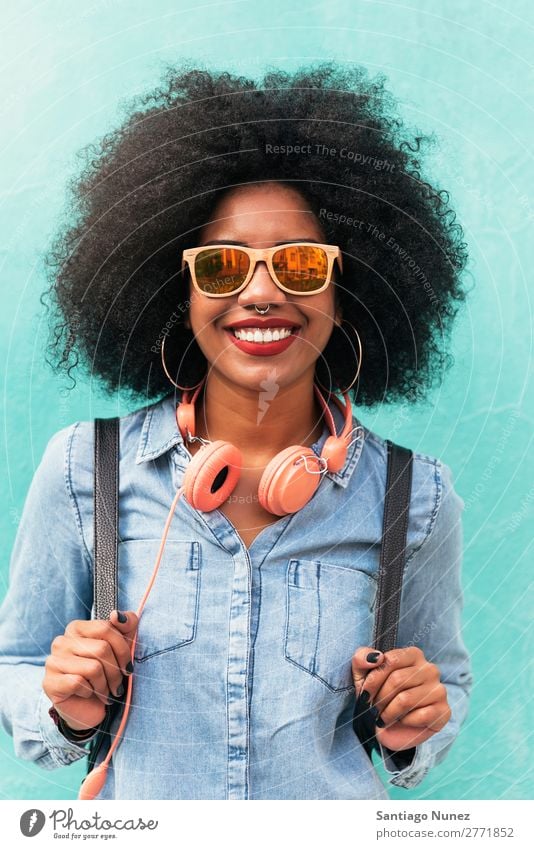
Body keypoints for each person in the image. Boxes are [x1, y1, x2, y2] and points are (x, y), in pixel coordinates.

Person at [0, 61, 472, 800]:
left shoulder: (416, 494)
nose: (260, 293)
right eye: (222, 267)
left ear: (345, 294)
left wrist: (419, 724)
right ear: (178, 290)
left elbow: (445, 681)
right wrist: (62, 705)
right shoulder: (83, 468)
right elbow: (17, 665)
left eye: (301, 264)